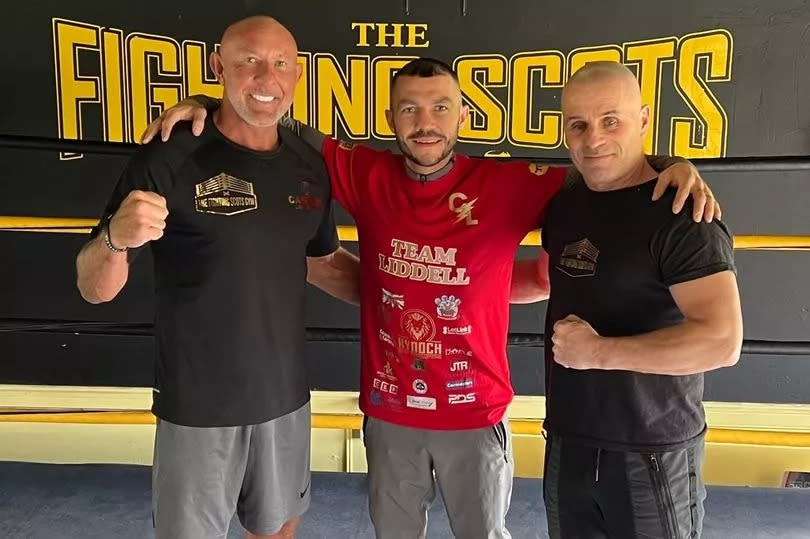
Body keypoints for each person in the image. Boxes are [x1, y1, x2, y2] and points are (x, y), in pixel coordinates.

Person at [145, 57, 720, 539]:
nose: (426, 123)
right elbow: (270, 118)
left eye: (441, 107)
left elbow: (611, 170)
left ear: (464, 114)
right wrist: (203, 102)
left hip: (476, 413)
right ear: (391, 118)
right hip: (392, 411)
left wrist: (674, 165)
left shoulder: (510, 183)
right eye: (410, 109)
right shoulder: (362, 172)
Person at [76, 16, 360, 539]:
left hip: (285, 398)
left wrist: (416, 293)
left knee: (278, 530)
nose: (265, 78)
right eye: (248, 61)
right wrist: (116, 237)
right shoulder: (170, 154)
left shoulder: (308, 163)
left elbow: (320, 262)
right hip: (198, 404)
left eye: (279, 64)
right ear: (218, 67)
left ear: (297, 76)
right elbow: (95, 287)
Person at [513, 61, 743, 538]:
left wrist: (600, 352)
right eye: (578, 124)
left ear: (642, 120)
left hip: (651, 449)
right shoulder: (565, 203)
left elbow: (722, 341)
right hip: (569, 439)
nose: (593, 138)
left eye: (610, 120)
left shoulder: (683, 214)